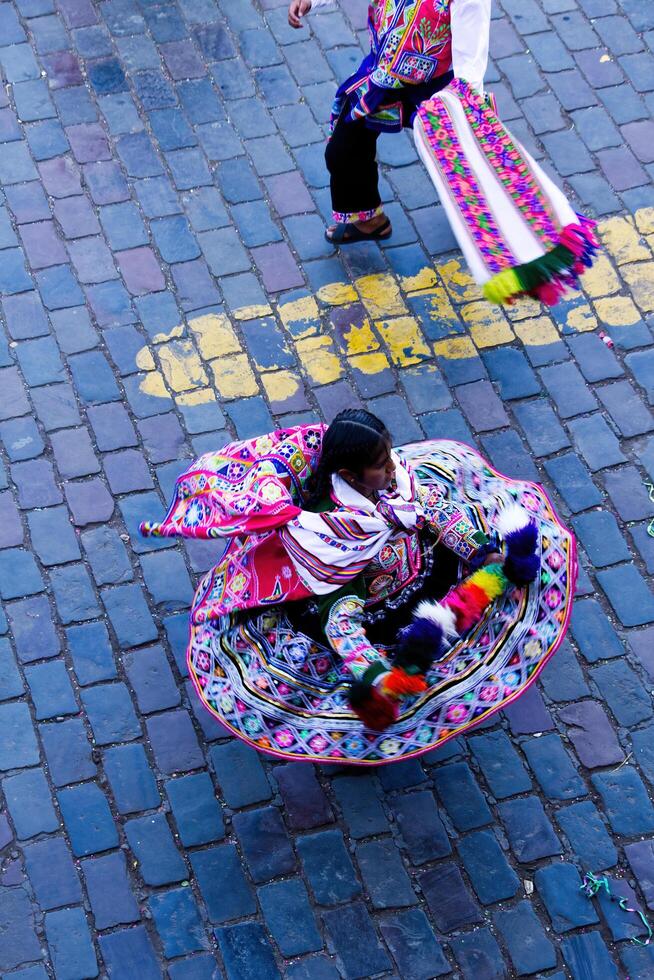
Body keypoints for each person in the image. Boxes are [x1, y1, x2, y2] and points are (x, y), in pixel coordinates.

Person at [141, 412, 576, 764]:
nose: (393, 469)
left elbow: (431, 511)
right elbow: (340, 621)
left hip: (423, 572)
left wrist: (483, 552)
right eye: (382, 465)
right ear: (350, 473)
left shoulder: (394, 484)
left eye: (391, 457)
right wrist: (377, 674)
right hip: (372, 609)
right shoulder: (327, 545)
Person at [288, 0, 491, 244]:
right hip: (384, 78)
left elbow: (470, 61)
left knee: (464, 157)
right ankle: (369, 220)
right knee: (343, 150)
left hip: (437, 90)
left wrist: (467, 110)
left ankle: (489, 218)